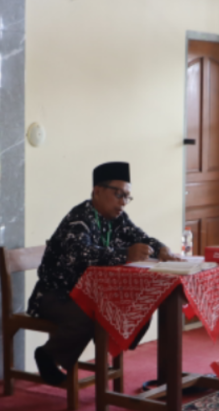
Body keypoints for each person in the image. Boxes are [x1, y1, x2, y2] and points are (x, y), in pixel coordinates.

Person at [27, 161, 180, 386]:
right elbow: (81, 254)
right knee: (94, 316)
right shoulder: (79, 218)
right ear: (97, 191)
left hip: (92, 293)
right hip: (56, 294)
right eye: (118, 194)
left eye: (127, 197)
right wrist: (125, 254)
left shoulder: (118, 219)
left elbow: (141, 237)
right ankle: (47, 355)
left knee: (135, 305)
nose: (123, 202)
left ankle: (107, 343)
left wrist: (162, 249)